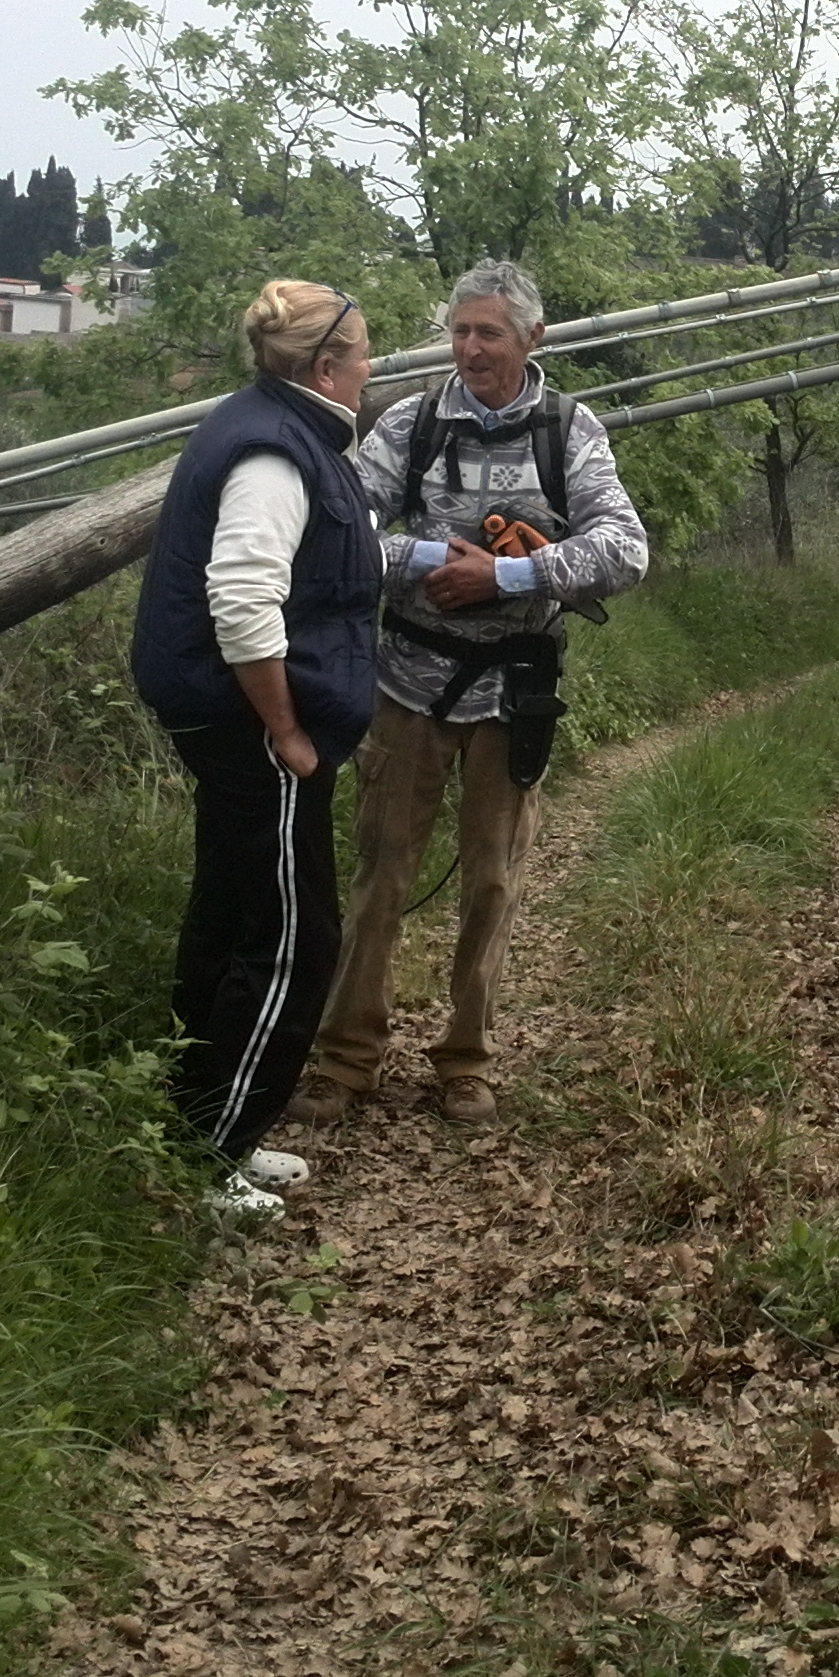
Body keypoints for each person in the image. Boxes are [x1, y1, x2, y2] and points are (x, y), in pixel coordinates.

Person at [290, 257, 649, 1127]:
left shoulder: (570, 432)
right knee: (381, 873)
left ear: (533, 338)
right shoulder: (410, 424)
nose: (472, 349)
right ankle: (345, 1059)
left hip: (513, 693)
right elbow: (336, 530)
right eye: (460, 332)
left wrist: (508, 575)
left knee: (492, 881)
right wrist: (420, 559)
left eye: (490, 333)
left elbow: (625, 550)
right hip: (406, 686)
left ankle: (466, 1060)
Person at [128, 279, 382, 1219]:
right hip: (252, 728)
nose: (371, 369)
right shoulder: (276, 453)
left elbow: (313, 568)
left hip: (231, 719)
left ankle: (198, 1124)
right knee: (292, 941)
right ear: (327, 367)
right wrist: (285, 729)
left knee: (231, 915)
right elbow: (242, 599)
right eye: (364, 354)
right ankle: (213, 1154)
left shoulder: (272, 427)